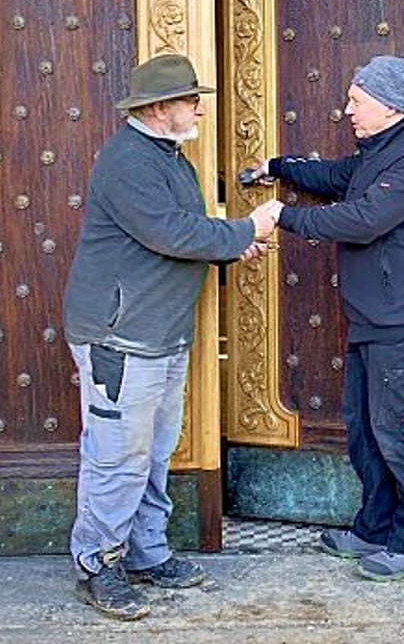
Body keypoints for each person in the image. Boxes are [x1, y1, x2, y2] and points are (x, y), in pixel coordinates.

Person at [63, 53, 277, 621]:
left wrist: (232, 244)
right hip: (121, 339)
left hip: (157, 335)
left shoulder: (167, 155)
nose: (198, 106)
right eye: (190, 98)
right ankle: (96, 566)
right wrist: (246, 229)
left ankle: (145, 553)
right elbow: (169, 232)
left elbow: (183, 235)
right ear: (159, 109)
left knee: (153, 453)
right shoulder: (129, 161)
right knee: (117, 457)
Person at [246, 55, 404, 582]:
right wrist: (277, 167)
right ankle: (374, 526)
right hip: (373, 318)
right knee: (366, 432)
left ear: (388, 107)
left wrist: (282, 216)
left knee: (402, 432)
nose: (347, 111)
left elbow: (365, 219)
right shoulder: (376, 155)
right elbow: (333, 176)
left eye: (356, 102)